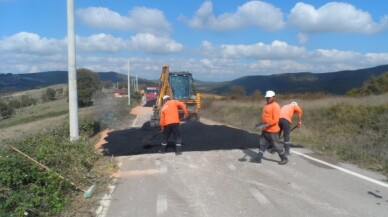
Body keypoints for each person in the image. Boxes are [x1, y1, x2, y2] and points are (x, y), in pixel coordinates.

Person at [250, 90, 288, 165]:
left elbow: (275, 120)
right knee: (262, 144)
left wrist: (266, 124)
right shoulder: (266, 105)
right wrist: (261, 124)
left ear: (274, 97)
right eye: (267, 97)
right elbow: (265, 117)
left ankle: (284, 158)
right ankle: (258, 158)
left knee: (276, 145)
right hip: (265, 130)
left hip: (272, 130)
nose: (267, 99)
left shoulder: (275, 106)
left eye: (269, 98)